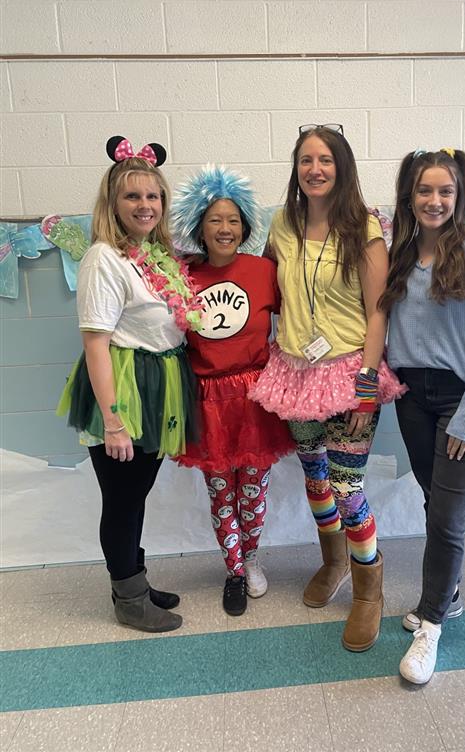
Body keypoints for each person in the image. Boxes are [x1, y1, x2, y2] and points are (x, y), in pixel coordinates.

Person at [251, 124, 406, 651]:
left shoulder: (363, 227)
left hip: (348, 375)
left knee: (347, 488)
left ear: (342, 167)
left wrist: (367, 388)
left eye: (325, 160)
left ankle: (369, 592)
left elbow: (378, 311)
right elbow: (266, 290)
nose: (315, 169)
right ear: (296, 169)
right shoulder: (281, 224)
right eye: (305, 160)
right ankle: (333, 561)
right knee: (315, 478)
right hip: (296, 374)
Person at [57, 136, 202, 633]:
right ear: (112, 203)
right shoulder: (104, 257)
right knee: (122, 498)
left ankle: (134, 577)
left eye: (152, 196)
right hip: (124, 388)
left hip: (158, 381)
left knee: (135, 493)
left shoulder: (150, 254)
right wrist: (114, 422)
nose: (144, 205)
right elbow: (95, 342)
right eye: (132, 196)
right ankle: (128, 597)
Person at [380, 148, 465, 683]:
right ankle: (448, 593)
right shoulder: (403, 251)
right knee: (435, 501)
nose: (435, 201)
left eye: (445, 191)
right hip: (412, 397)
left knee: (446, 517)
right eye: (425, 191)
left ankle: (431, 623)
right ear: (409, 197)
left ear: (459, 197)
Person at [169, 166, 294, 617]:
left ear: (245, 226)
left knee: (253, 490)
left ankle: (254, 556)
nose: (225, 228)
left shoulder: (264, 271)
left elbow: (299, 315)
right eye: (215, 220)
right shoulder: (183, 275)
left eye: (233, 220)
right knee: (221, 491)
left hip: (255, 395)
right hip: (209, 400)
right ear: (199, 225)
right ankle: (234, 570)